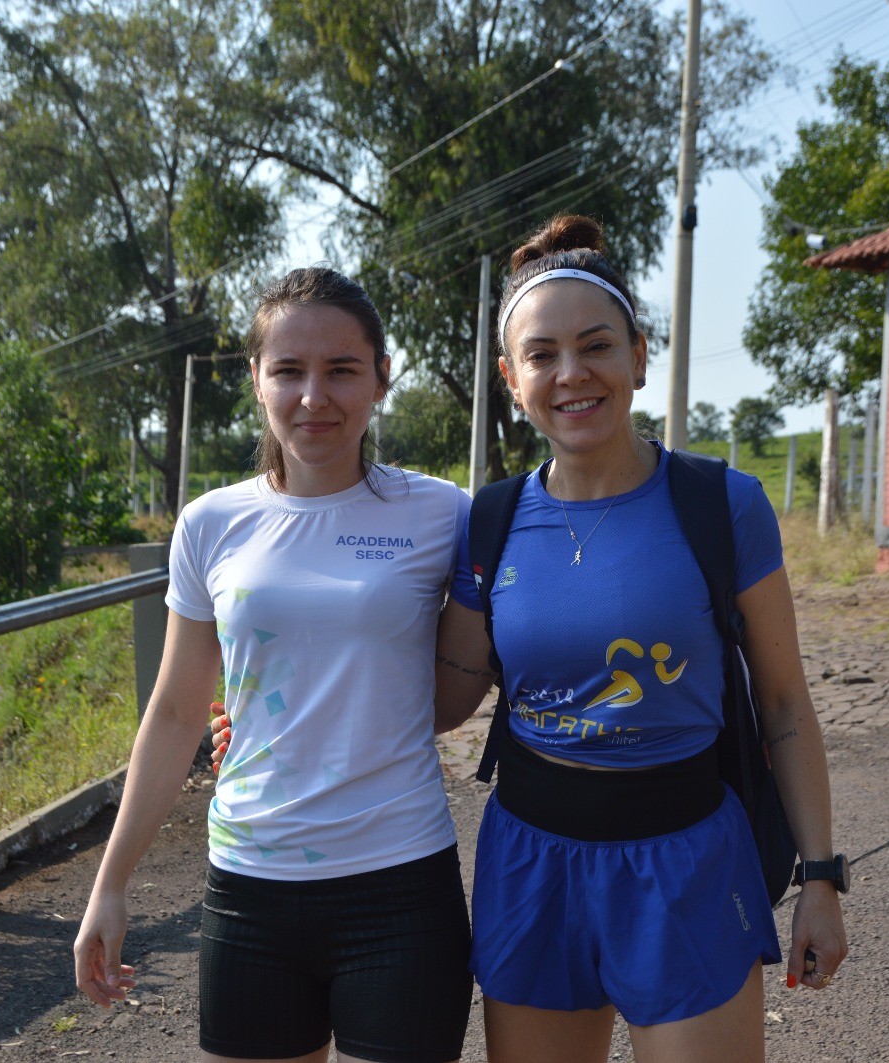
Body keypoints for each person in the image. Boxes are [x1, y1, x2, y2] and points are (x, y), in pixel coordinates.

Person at [429, 214, 849, 1063]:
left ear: (639, 356)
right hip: (532, 864)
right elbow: (441, 699)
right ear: (512, 378)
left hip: (687, 861)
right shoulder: (490, 521)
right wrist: (261, 713)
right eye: (542, 354)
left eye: (597, 346)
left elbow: (783, 704)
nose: (571, 373)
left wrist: (821, 877)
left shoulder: (722, 504)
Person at [73, 267, 475, 1063]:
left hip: (400, 883)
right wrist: (110, 882)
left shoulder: (442, 512)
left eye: (342, 369)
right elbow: (176, 711)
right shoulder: (210, 523)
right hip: (250, 889)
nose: (313, 396)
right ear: (256, 379)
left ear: (382, 378)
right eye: (289, 370)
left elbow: (465, 679)